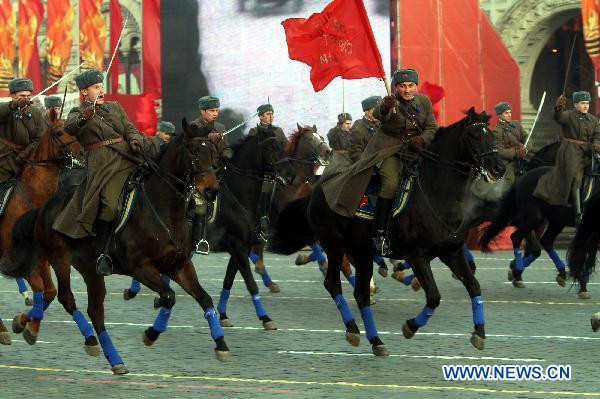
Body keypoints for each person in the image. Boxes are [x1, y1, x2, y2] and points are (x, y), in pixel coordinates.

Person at [52, 69, 161, 275]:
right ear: (84, 92)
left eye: (101, 87)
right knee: (110, 206)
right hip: (104, 165)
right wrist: (85, 116)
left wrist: (135, 139)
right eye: (96, 88)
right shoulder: (77, 114)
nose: (101, 91)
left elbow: (129, 128)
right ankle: (103, 253)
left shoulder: (115, 107)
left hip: (129, 156)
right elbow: (71, 128)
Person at [322, 68, 437, 255]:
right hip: (389, 151)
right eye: (402, 86)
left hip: (416, 150)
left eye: (411, 85)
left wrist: (422, 139)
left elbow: (431, 126)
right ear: (396, 87)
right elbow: (379, 114)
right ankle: (380, 233)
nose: (407, 90)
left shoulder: (424, 101)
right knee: (391, 184)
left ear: (416, 86)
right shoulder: (389, 102)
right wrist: (385, 107)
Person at [533, 91, 600, 224]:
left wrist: (597, 145)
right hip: (571, 151)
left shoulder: (594, 120)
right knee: (575, 176)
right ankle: (578, 214)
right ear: (575, 104)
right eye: (582, 103)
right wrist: (558, 108)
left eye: (587, 103)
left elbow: (598, 135)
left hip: (589, 151)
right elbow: (558, 117)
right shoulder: (568, 115)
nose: (586, 106)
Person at [247, 103, 288, 242]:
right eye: (268, 114)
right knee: (266, 187)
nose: (271, 116)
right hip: (262, 171)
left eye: (272, 113)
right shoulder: (254, 131)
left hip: (278, 169)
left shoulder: (279, 131)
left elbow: (286, 149)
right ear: (260, 116)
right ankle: (263, 216)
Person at [0, 77, 44, 186]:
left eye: (28, 96)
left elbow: (39, 138)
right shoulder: (6, 109)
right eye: (22, 96)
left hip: (27, 161)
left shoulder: (35, 113)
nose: (26, 99)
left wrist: (24, 155)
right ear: (12, 96)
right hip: (4, 162)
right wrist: (15, 105)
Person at [348, 96, 381, 163]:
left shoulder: (382, 123)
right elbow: (356, 154)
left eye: (380, 110)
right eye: (375, 110)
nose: (378, 113)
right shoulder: (358, 129)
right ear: (366, 111)